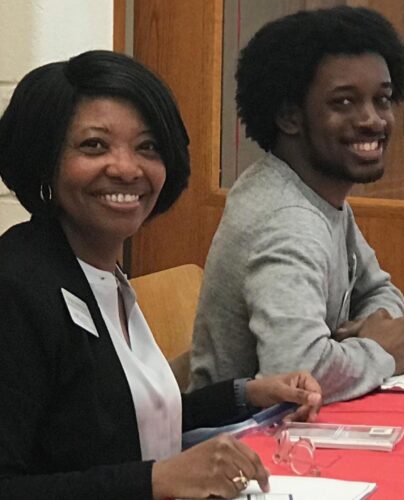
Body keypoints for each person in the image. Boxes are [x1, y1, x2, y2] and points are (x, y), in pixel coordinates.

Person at [0, 50, 322, 500]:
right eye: (94, 145)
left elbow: (114, 421)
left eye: (147, 147)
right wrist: (156, 481)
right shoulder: (15, 287)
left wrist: (245, 394)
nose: (127, 168)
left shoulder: (99, 273)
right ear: (45, 158)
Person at [189, 6, 404, 403]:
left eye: (382, 99)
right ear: (289, 117)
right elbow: (295, 372)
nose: (372, 120)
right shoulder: (287, 220)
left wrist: (370, 327)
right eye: (344, 102)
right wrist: (380, 351)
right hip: (241, 442)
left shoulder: (315, 193)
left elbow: (380, 290)